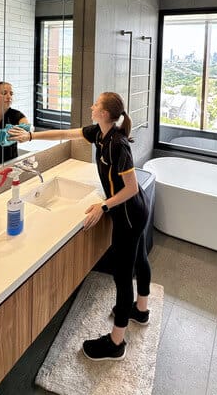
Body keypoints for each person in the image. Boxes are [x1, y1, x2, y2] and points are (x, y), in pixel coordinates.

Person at [9, 91, 151, 361]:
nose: (91, 105)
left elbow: (131, 188)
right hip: (134, 211)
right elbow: (66, 134)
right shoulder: (99, 133)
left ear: (106, 114)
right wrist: (31, 136)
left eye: (96, 104)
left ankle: (116, 342)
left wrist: (104, 206)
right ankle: (140, 311)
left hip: (129, 214)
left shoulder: (118, 144)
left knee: (123, 276)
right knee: (140, 257)